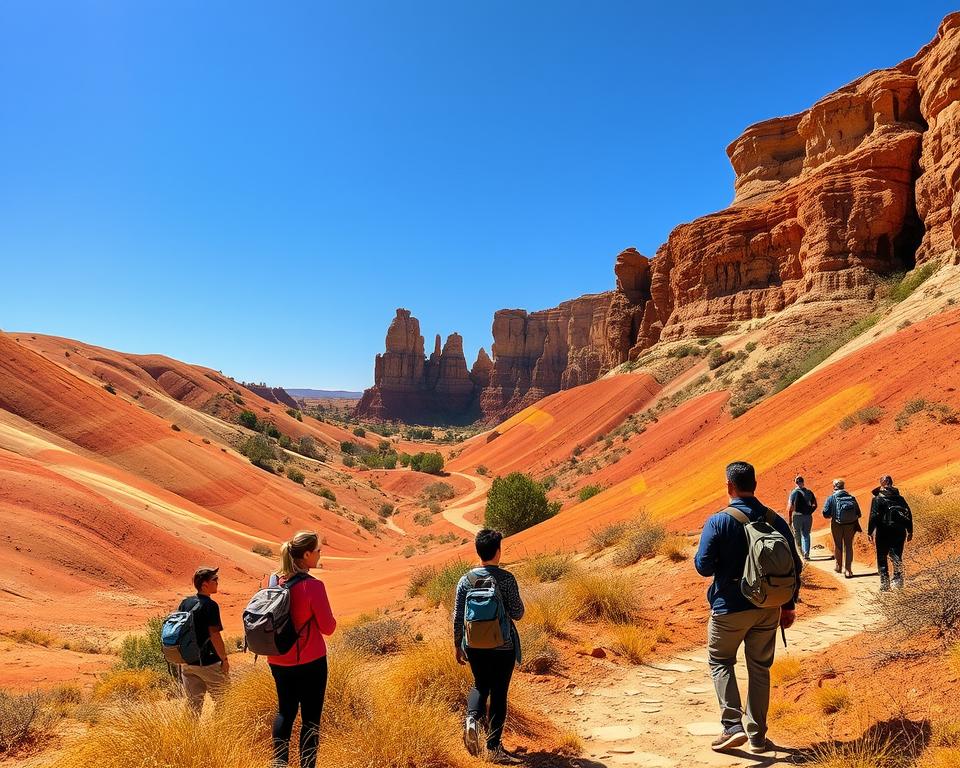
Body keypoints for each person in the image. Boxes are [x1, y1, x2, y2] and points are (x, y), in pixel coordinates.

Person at [694, 461, 802, 754]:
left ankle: (731, 727)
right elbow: (795, 565)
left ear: (729, 486)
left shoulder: (719, 520)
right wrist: (788, 606)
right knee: (759, 669)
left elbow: (703, 567)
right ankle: (758, 737)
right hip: (768, 607)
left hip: (729, 607)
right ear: (754, 484)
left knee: (720, 661)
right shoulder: (774, 519)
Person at [453, 529, 525, 765]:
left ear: (478, 551)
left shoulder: (465, 580)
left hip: (473, 645)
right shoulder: (506, 578)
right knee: (499, 692)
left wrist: (457, 644)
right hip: (503, 646)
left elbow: (458, 616)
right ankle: (494, 747)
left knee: (480, 684)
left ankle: (472, 719)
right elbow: (518, 613)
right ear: (497, 551)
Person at [267, 531, 337, 768]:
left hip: (278, 660)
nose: (320, 554)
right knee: (310, 720)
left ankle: (279, 764)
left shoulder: (273, 581)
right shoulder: (313, 586)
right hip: (310, 662)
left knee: (284, 712)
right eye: (317, 551)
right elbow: (328, 628)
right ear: (306, 554)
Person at [178, 566, 229, 714]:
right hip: (208, 663)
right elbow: (215, 635)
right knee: (226, 700)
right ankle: (220, 733)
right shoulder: (210, 605)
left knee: (192, 706)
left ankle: (187, 735)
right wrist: (224, 659)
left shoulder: (185, 603)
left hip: (187, 662)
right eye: (215, 580)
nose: (217, 582)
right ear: (205, 584)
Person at [868, 475, 913, 591]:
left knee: (882, 556)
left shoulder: (877, 499)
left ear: (881, 484)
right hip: (899, 531)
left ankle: (885, 583)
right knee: (897, 555)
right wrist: (910, 530)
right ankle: (898, 581)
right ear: (892, 483)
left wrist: (870, 532)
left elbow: (874, 516)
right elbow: (908, 514)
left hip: (883, 531)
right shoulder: (900, 498)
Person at [822, 479, 861, 578]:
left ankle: (838, 567)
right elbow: (858, 513)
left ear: (834, 487)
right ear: (843, 486)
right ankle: (848, 570)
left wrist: (832, 515)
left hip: (836, 524)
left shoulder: (831, 498)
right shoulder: (851, 497)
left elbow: (825, 513)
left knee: (838, 545)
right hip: (850, 525)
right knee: (848, 546)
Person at [787, 475, 817, 561]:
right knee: (806, 535)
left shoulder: (793, 493)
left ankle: (800, 553)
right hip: (808, 516)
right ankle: (806, 553)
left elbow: (790, 507)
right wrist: (809, 512)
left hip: (796, 516)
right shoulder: (809, 492)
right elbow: (815, 505)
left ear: (795, 483)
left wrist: (789, 518)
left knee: (797, 534)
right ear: (803, 482)